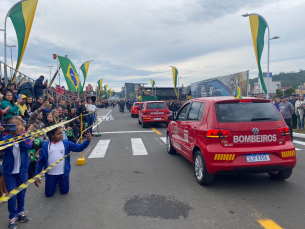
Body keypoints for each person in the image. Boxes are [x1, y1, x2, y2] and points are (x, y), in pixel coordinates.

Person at [33, 127, 91, 197]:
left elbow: (78, 148)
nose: (61, 135)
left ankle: (59, 182)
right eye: (58, 134)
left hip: (63, 173)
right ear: (52, 135)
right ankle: (54, 182)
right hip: (51, 174)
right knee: (48, 194)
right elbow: (41, 162)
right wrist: (36, 175)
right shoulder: (46, 146)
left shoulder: (66, 143)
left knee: (64, 192)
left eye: (61, 133)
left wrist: (87, 141)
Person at [0, 117, 32, 228]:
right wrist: (1, 133)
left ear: (22, 126)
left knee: (21, 193)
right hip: (10, 172)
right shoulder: (7, 137)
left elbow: (27, 146)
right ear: (8, 127)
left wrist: (19, 135)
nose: (16, 127)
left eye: (17, 125)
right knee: (12, 195)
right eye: (12, 125)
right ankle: (12, 216)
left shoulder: (25, 136)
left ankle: (20, 211)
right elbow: (1, 147)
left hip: (22, 171)